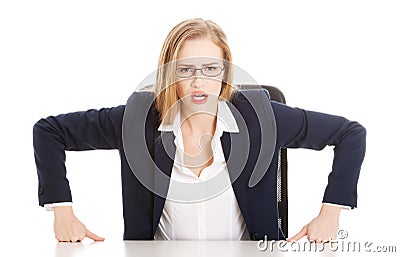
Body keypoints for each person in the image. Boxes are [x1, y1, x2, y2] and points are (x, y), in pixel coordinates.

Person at [33, 18, 366, 243]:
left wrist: (331, 211)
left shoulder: (261, 116)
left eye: (210, 68)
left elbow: (350, 133)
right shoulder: (137, 120)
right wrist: (61, 210)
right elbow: (49, 131)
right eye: (185, 69)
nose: (197, 82)